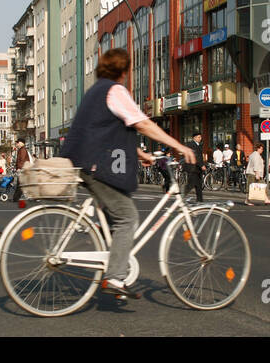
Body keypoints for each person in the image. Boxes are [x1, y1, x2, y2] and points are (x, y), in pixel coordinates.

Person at [61, 48, 194, 301]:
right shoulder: (115, 90)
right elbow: (142, 123)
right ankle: (115, 277)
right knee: (128, 217)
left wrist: (138, 153)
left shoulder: (95, 91)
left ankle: (111, 260)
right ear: (123, 71)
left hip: (84, 161)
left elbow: (103, 131)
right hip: (95, 165)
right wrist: (179, 146)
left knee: (115, 216)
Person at [186, 132, 205, 202]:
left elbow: (200, 156)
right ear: (194, 137)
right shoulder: (191, 145)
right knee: (191, 184)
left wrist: (203, 164)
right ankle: (181, 195)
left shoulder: (199, 145)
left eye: (200, 137)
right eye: (198, 137)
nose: (200, 138)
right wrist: (201, 165)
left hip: (197, 168)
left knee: (198, 184)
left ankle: (200, 199)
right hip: (193, 167)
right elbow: (195, 156)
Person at [11, 138, 32, 203]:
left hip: (23, 168)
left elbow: (22, 160)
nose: (17, 144)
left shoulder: (22, 150)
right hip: (23, 168)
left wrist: (19, 168)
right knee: (21, 184)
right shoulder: (21, 149)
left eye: (18, 142)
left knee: (20, 184)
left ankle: (16, 198)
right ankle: (16, 198)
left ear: (22, 143)